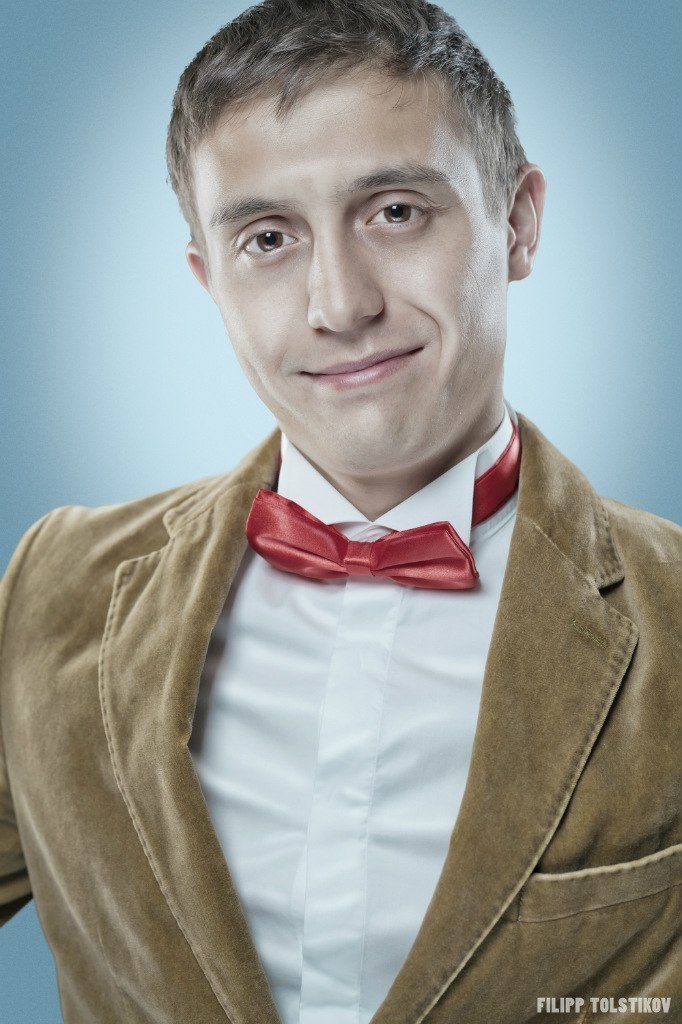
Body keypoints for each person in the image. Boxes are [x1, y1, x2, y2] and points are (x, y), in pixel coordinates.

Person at [1, 1, 680, 1022]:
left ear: (518, 221)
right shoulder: (54, 587)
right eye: (268, 238)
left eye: (395, 211)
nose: (340, 303)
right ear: (209, 282)